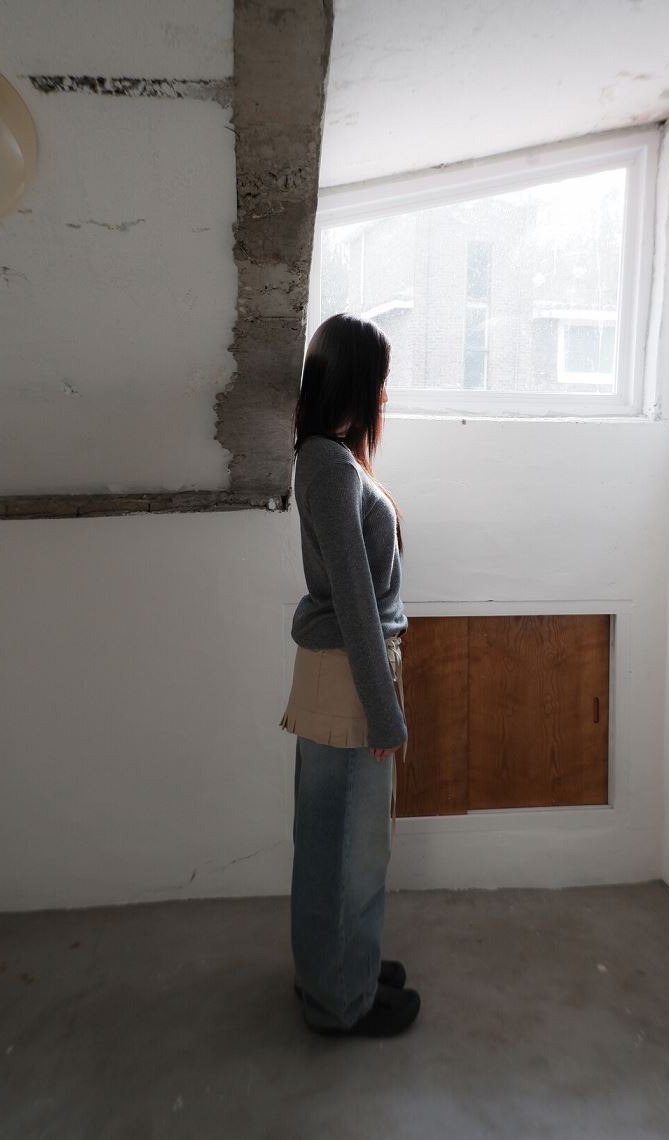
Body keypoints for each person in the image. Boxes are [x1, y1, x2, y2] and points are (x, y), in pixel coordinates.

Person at [279, 312, 421, 1037]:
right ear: (360, 383)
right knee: (349, 854)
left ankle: (341, 968)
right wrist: (386, 714)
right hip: (348, 681)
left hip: (344, 674)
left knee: (334, 844)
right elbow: (358, 604)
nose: (386, 395)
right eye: (381, 381)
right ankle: (340, 1002)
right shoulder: (332, 469)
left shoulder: (330, 458)